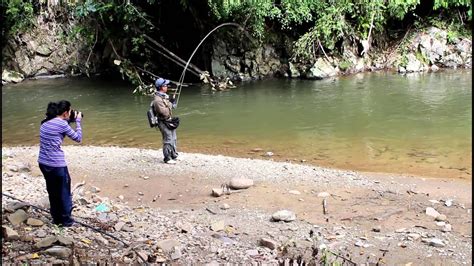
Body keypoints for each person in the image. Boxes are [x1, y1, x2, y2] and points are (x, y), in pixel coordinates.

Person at [38, 100, 82, 227]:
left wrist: (68, 120)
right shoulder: (62, 124)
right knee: (64, 192)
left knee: (52, 190)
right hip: (56, 164)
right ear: (65, 113)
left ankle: (56, 218)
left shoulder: (45, 122)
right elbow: (78, 138)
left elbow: (57, 126)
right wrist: (78, 121)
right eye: (70, 111)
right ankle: (66, 221)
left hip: (43, 163)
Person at [152, 77, 179, 164]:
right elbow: (165, 113)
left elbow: (168, 107)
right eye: (165, 85)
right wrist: (171, 105)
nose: (167, 86)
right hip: (163, 122)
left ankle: (174, 155)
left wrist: (171, 102)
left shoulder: (163, 97)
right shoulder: (157, 100)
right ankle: (167, 158)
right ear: (161, 87)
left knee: (174, 138)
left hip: (168, 121)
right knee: (168, 139)